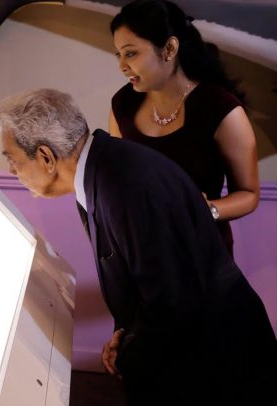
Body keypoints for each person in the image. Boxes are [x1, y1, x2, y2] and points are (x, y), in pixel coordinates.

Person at [0, 88, 276, 405]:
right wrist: (125, 334)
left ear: (46, 157)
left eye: (12, 159)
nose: (12, 171)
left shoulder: (126, 185)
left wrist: (127, 353)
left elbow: (172, 303)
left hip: (219, 366)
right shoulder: (106, 167)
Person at [108, 0, 259, 255]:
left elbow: (249, 194)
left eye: (131, 53)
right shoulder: (123, 104)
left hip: (201, 257)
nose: (122, 66)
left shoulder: (221, 108)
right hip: (141, 254)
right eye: (118, 55)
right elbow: (120, 179)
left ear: (169, 48)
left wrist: (208, 210)